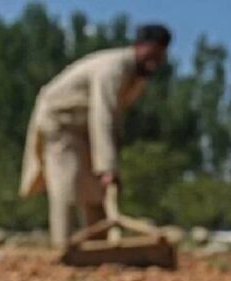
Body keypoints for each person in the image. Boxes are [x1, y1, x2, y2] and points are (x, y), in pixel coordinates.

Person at [19, 24, 171, 247]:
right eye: (152, 53)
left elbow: (114, 118)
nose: (155, 60)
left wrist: (110, 165)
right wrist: (107, 167)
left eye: (160, 55)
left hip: (84, 127)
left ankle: (98, 246)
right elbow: (103, 115)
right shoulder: (113, 69)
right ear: (139, 46)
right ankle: (63, 245)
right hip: (59, 121)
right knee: (67, 182)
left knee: (96, 189)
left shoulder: (137, 77)